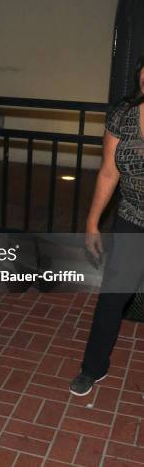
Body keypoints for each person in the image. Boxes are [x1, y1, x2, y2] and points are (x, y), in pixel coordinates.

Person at [69, 58, 144, 396]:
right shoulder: (124, 115)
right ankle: (93, 366)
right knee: (113, 295)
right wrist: (92, 221)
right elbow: (109, 173)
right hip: (131, 217)